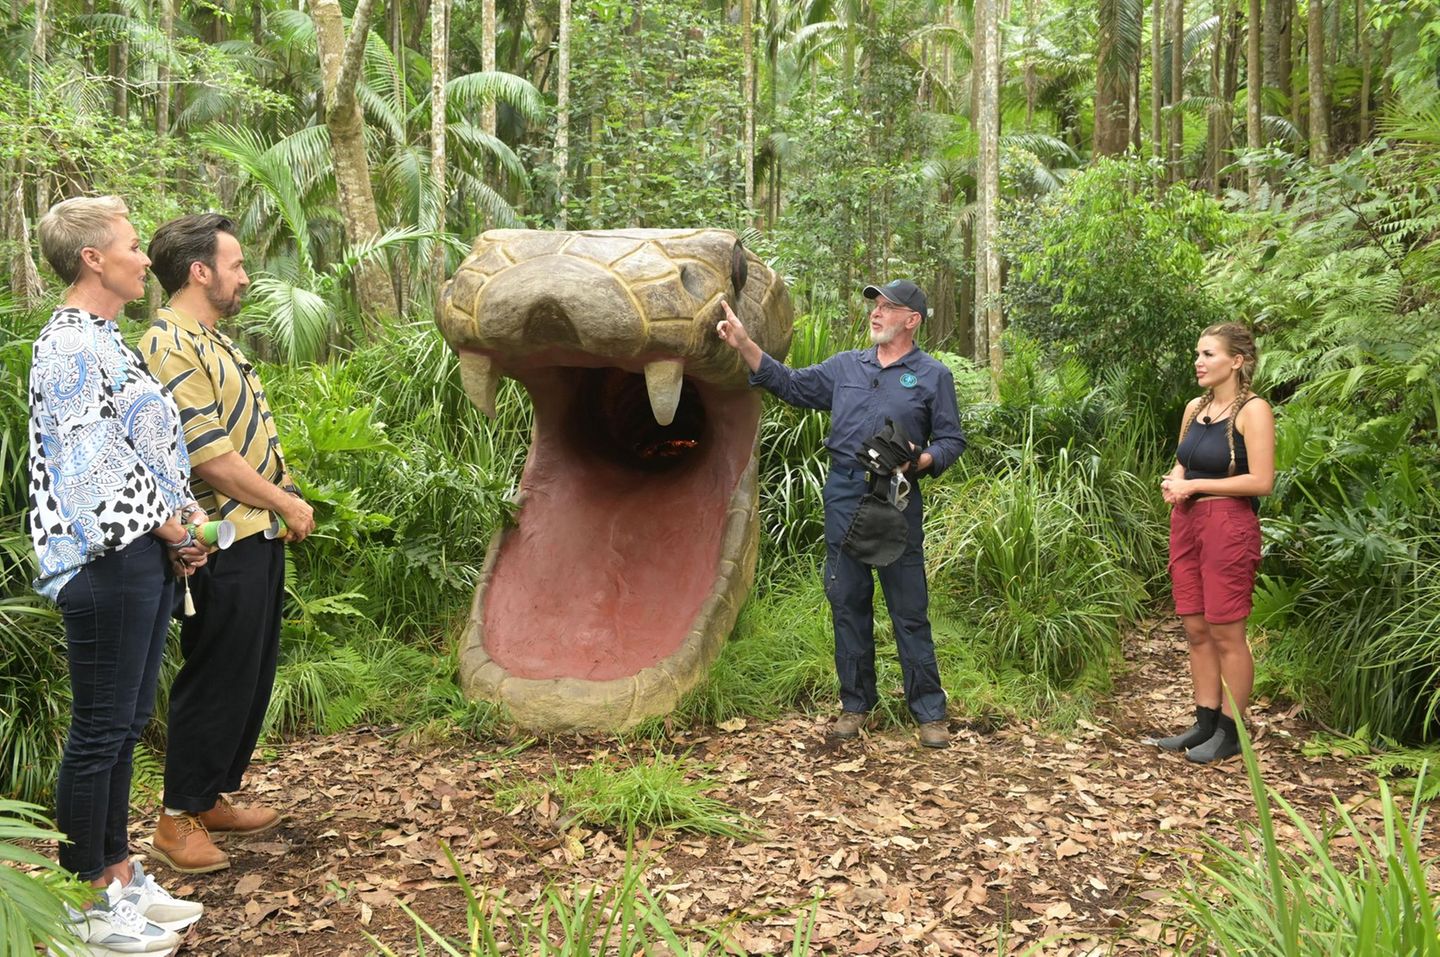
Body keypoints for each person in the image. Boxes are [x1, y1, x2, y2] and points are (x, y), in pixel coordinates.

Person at [30, 195, 208, 951]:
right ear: (94, 258)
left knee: (127, 723)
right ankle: (88, 900)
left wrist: (187, 523)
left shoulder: (105, 339)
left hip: (144, 552)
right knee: (101, 729)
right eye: (133, 245)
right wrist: (170, 525)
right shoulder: (68, 344)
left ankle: (120, 871)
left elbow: (150, 449)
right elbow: (93, 465)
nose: (145, 258)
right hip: (105, 558)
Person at [139, 213, 315, 873]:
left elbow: (244, 436)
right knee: (216, 675)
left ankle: (207, 795)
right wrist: (284, 501)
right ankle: (175, 819)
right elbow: (206, 453)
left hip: (253, 531)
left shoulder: (209, 338)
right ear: (199, 271)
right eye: (235, 264)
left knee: (248, 673)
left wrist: (280, 496)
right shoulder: (168, 343)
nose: (244, 275)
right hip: (217, 537)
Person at [716, 279, 965, 749]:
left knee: (908, 608)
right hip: (845, 494)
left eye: (889, 307)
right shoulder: (846, 367)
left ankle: (930, 712)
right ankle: (855, 705)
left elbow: (952, 441)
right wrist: (745, 343)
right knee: (847, 601)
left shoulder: (933, 376)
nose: (876, 312)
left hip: (898, 495)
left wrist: (921, 459)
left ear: (912, 320)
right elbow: (789, 384)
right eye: (875, 305)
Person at [1153, 322, 1275, 764]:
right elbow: (1183, 461)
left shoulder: (1253, 410)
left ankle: (1231, 730)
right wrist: (1177, 482)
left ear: (1236, 361)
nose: (1198, 362)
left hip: (1228, 523)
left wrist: (1197, 490)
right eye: (1198, 354)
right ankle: (1204, 722)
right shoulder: (1195, 408)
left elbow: (1262, 480)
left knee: (1226, 630)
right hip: (1186, 521)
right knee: (1195, 627)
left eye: (1208, 355)